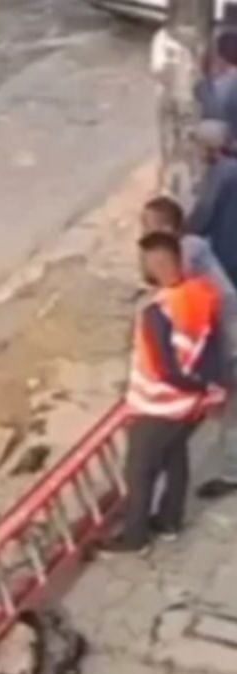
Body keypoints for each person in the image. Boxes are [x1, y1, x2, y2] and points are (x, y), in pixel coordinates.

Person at [101, 233, 225, 556]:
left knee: (139, 470)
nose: (157, 268)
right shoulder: (202, 293)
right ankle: (170, 521)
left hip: (158, 405)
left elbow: (164, 370)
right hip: (190, 405)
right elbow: (212, 346)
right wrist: (210, 388)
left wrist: (200, 387)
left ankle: (134, 536)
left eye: (158, 262)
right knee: (175, 457)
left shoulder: (156, 313)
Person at [141, 197, 237, 499]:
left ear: (167, 227)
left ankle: (233, 472)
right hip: (226, 339)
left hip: (228, 344)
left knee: (228, 412)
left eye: (149, 226)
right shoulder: (193, 245)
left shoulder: (186, 254)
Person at [189, 119, 237, 284]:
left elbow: (203, 214)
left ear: (209, 148)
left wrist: (180, 232)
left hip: (228, 254)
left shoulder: (221, 173)